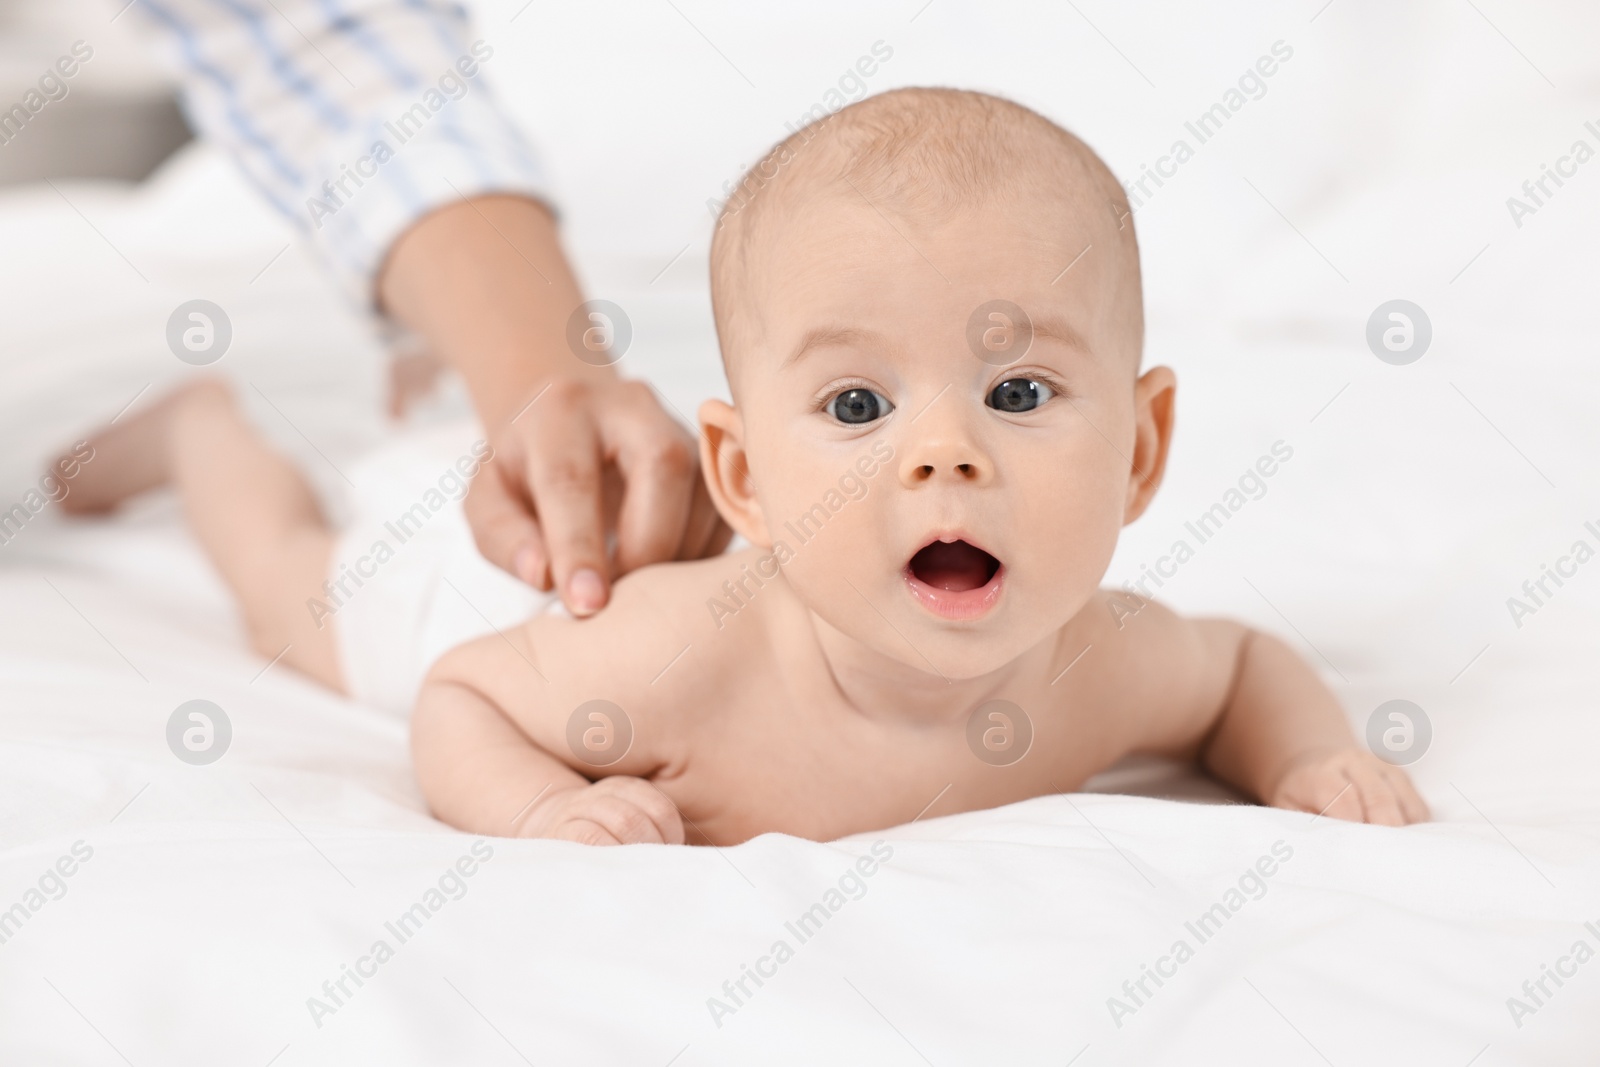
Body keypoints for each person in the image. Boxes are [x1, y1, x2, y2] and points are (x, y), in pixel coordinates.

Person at [58, 88, 1429, 845]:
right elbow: (466, 690)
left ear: (1140, 449)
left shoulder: (1110, 663)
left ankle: (408, 392)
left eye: (1017, 390)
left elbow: (1241, 667)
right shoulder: (680, 657)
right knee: (291, 592)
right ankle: (204, 432)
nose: (944, 449)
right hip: (490, 577)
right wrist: (545, 805)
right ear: (747, 474)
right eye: (854, 401)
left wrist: (1310, 753)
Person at [128, 0, 730, 615]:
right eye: (839, 407)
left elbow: (322, 48)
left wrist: (547, 385)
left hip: (498, 458)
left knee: (293, 596)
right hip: (482, 515)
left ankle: (199, 425)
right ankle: (195, 429)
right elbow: (459, 693)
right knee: (282, 575)